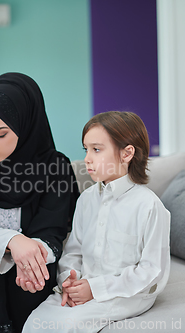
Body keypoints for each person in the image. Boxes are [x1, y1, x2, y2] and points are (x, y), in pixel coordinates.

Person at [0, 72, 80, 333]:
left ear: (25, 126)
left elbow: (52, 232)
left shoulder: (55, 167)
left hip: (38, 267)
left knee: (32, 279)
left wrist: (29, 256)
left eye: (0, 134)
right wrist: (13, 241)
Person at [22, 111, 171, 333]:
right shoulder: (86, 200)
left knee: (69, 325)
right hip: (84, 286)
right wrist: (69, 281)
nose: (87, 159)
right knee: (35, 321)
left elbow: (152, 271)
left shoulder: (149, 206)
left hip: (127, 293)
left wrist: (95, 288)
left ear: (126, 153)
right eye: (86, 149)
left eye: (97, 149)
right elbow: (73, 252)